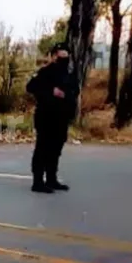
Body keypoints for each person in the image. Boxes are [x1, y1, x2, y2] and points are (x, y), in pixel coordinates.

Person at [26, 43, 79, 194]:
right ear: (54, 56)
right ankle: (37, 181)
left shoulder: (70, 74)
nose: (63, 60)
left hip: (62, 117)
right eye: (60, 56)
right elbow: (31, 87)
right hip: (46, 116)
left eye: (66, 56)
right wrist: (51, 91)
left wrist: (67, 97)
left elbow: (75, 91)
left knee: (56, 149)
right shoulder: (45, 72)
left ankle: (51, 178)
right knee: (43, 148)